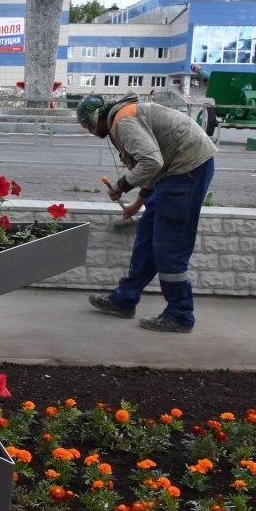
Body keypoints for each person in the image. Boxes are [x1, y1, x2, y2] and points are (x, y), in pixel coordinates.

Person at [76, 91, 216, 333]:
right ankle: (124, 299)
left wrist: (122, 185)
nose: (89, 130)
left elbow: (152, 162)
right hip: (175, 172)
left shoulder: (123, 121)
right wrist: (138, 203)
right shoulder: (122, 117)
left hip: (188, 170)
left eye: (87, 125)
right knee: (147, 238)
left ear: (96, 117)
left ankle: (180, 314)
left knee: (169, 245)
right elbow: (153, 163)